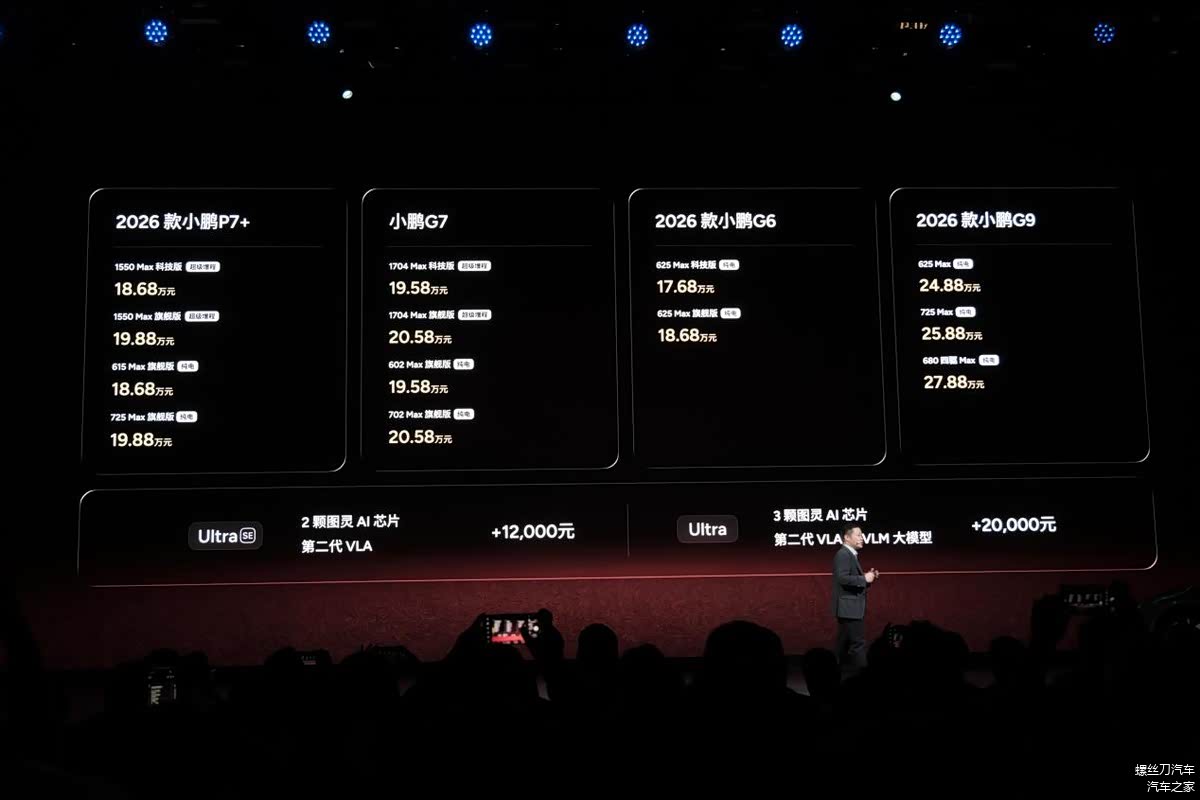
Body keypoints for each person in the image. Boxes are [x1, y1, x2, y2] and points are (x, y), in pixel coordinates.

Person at [831, 522, 879, 670]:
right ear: (847, 537)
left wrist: (868, 577)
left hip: (849, 607)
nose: (862, 538)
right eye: (858, 535)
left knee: (843, 643)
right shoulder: (843, 554)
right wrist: (864, 579)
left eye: (862, 535)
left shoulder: (849, 554)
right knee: (858, 644)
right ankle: (863, 675)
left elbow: (849, 579)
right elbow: (842, 578)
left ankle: (831, 671)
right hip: (849, 607)